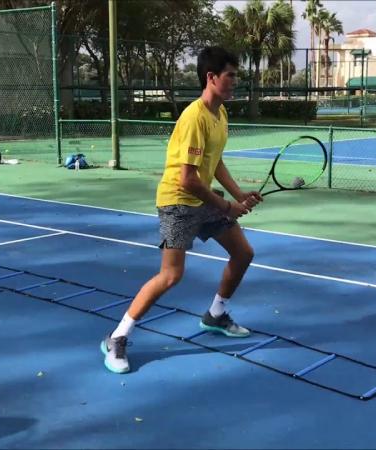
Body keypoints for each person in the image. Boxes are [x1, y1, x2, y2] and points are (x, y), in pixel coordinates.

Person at [100, 46, 263, 374]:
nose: (235, 82)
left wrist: (238, 194)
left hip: (205, 199)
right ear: (212, 77)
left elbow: (214, 163)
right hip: (178, 202)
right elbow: (188, 180)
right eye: (230, 76)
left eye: (236, 76)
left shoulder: (221, 115)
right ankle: (117, 337)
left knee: (243, 253)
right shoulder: (194, 118)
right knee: (171, 275)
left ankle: (216, 314)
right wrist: (227, 206)